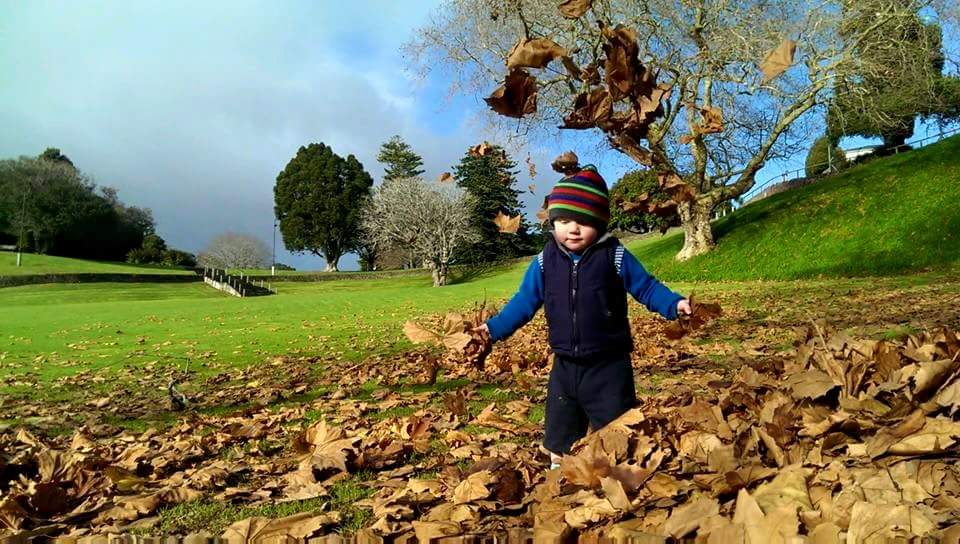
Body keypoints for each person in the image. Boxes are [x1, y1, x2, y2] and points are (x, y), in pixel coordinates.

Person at [476, 163, 691, 468]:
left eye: (583, 222)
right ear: (553, 223)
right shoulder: (543, 261)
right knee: (560, 428)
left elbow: (646, 287)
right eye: (563, 221)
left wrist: (674, 304)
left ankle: (619, 470)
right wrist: (493, 328)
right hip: (565, 364)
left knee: (616, 427)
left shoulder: (614, 255)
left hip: (609, 363)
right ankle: (559, 470)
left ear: (600, 223)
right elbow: (523, 302)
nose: (572, 229)